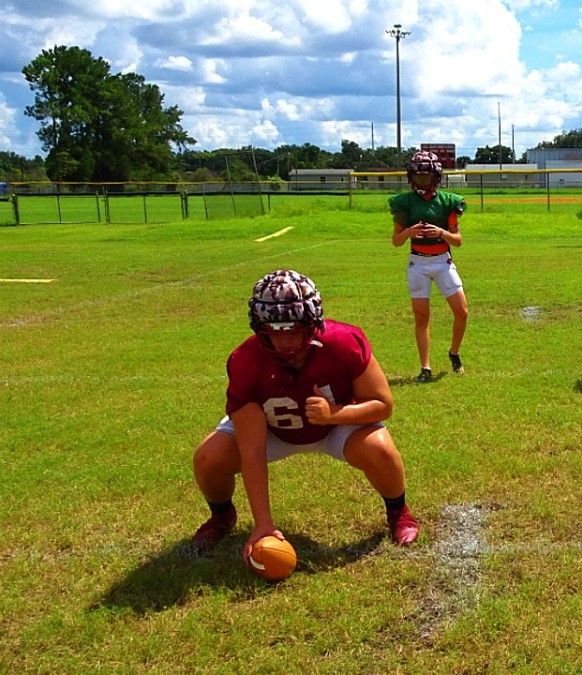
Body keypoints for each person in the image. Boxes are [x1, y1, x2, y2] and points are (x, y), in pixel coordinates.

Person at [191, 269, 419, 563]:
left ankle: (398, 512)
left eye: (293, 329)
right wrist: (263, 523)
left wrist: (335, 414)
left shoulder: (343, 342)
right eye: (275, 330)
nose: (285, 341)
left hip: (334, 426)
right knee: (208, 458)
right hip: (274, 430)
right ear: (259, 326)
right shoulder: (246, 361)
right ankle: (222, 516)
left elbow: (382, 404)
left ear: (312, 322)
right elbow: (251, 449)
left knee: (379, 448)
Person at [390, 150, 469, 383]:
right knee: (421, 316)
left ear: (436, 178)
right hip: (418, 263)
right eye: (418, 177)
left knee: (462, 312)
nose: (421, 182)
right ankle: (425, 367)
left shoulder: (448, 201)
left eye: (426, 177)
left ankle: (454, 353)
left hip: (443, 262)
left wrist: (441, 232)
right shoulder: (404, 202)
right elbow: (396, 241)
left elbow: (458, 241)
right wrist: (408, 232)